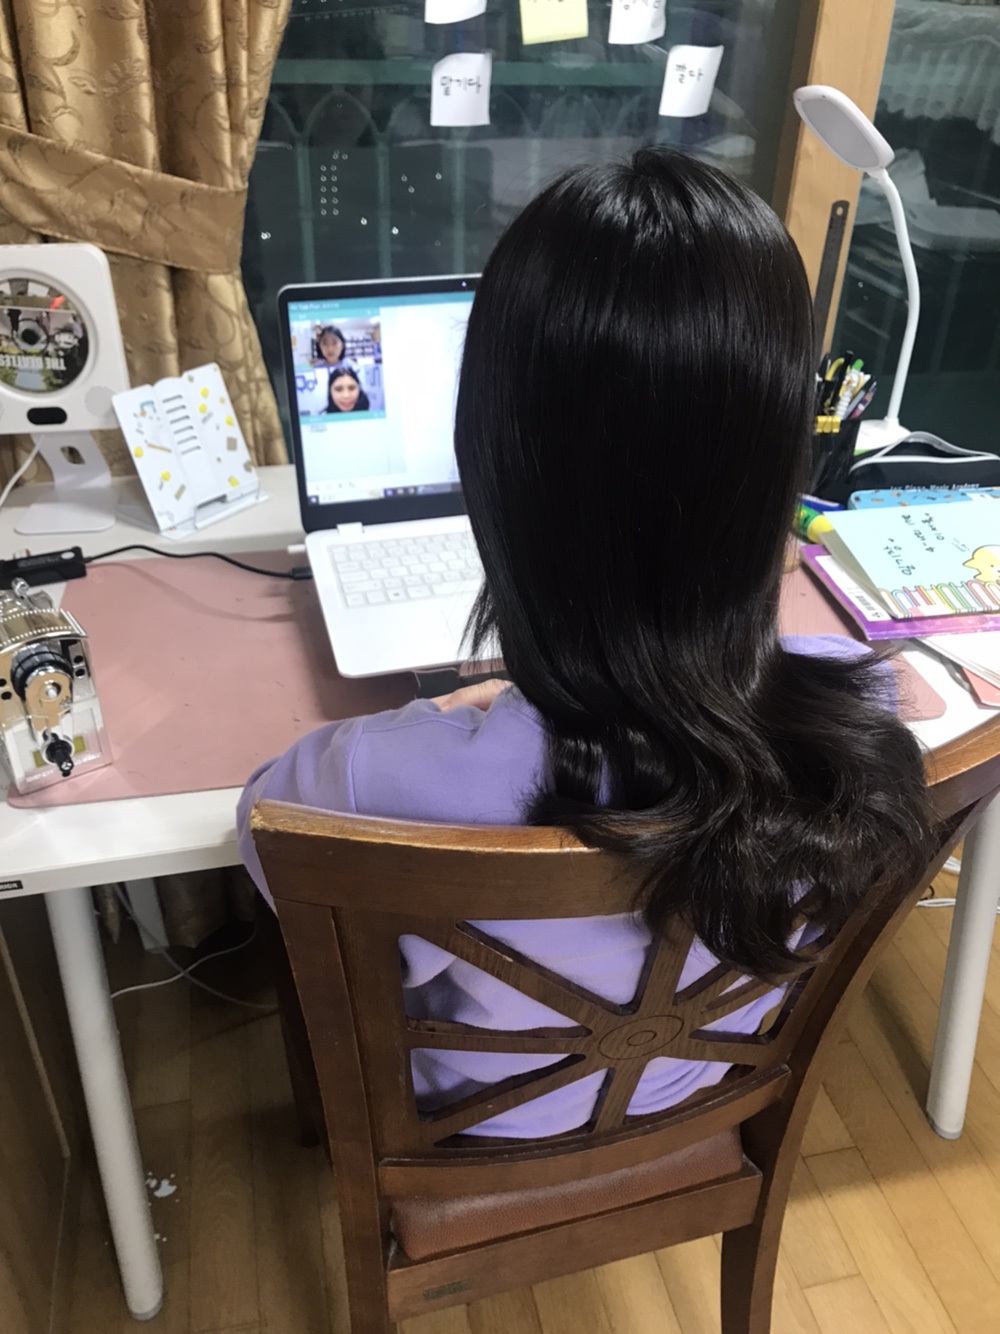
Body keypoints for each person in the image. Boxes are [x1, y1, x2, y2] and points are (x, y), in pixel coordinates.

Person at [238, 147, 930, 1137]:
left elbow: (260, 830)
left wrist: (468, 710)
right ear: (775, 460)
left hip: (481, 1121)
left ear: (495, 461)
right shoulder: (862, 711)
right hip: (699, 1089)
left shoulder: (374, 778)